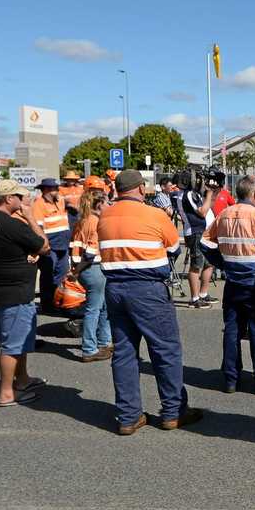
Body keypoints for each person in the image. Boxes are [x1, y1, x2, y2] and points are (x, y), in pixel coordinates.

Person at [100, 170, 202, 434]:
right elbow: (173, 249)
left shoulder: (105, 215)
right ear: (140, 188)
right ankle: (173, 412)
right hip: (147, 289)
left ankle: (128, 416)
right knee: (165, 349)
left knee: (123, 351)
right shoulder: (154, 214)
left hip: (114, 289)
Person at [201, 176, 255, 394]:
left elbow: (205, 243)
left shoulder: (224, 214)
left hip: (233, 280)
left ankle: (231, 378)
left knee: (232, 328)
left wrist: (221, 262)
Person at [0, 180, 50, 407]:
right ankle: (6, 393)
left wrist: (28, 253)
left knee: (20, 339)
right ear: (8, 199)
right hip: (13, 293)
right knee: (12, 345)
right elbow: (44, 245)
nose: (24, 200)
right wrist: (30, 218)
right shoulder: (10, 224)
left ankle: (23, 379)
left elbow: (8, 248)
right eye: (20, 196)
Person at [70, 190, 114, 362]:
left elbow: (74, 247)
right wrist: (77, 270)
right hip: (93, 268)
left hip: (87, 269)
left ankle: (104, 341)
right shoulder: (95, 222)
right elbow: (89, 253)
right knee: (94, 309)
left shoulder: (82, 220)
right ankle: (89, 348)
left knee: (102, 307)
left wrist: (75, 269)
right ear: (98, 204)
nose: (109, 205)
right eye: (107, 202)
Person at [31, 178, 71, 314]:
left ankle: (57, 302)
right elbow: (38, 227)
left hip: (63, 245)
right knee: (47, 276)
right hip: (50, 246)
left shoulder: (60, 200)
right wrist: (44, 246)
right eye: (54, 188)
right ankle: (47, 305)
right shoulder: (38, 204)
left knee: (62, 274)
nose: (57, 190)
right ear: (47, 190)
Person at [180, 173, 219, 308]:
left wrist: (212, 193)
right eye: (200, 179)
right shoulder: (188, 194)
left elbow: (208, 207)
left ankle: (203, 294)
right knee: (196, 265)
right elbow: (202, 212)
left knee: (209, 263)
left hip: (204, 231)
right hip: (195, 232)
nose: (202, 182)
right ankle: (194, 298)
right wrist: (208, 195)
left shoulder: (195, 194)